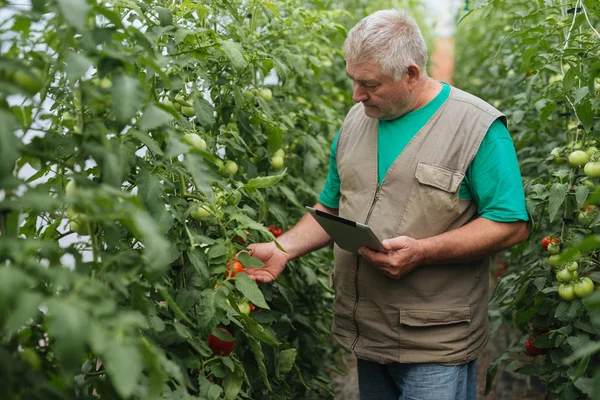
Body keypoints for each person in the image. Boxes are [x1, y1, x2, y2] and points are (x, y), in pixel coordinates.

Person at [245, 9, 529, 400]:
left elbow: (510, 223)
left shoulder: (476, 128)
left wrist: (424, 252)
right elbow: (330, 209)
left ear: (411, 73)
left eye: (369, 84)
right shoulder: (356, 121)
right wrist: (282, 249)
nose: (357, 95)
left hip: (435, 340)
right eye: (353, 81)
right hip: (368, 330)